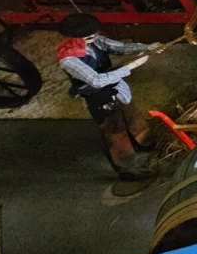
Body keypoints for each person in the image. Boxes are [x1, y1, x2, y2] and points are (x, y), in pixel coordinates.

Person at [56, 14, 160, 180]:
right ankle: (127, 168)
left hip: (116, 86)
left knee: (132, 116)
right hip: (98, 96)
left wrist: (147, 47)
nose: (94, 36)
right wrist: (130, 67)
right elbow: (96, 80)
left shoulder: (95, 41)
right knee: (115, 131)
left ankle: (144, 142)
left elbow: (120, 48)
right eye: (89, 35)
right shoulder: (69, 59)